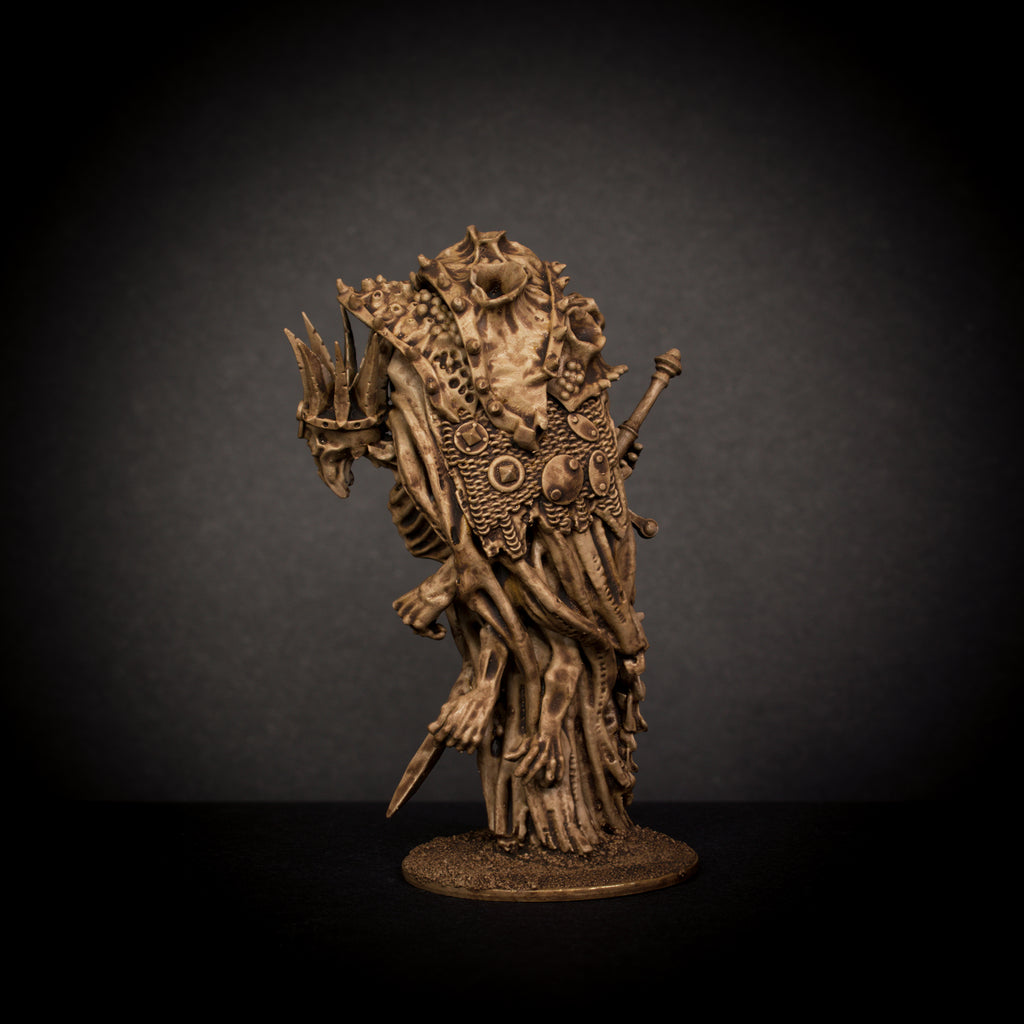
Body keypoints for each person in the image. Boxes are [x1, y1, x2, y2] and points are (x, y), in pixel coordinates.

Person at [289, 228, 658, 854]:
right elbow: (486, 554)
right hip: (506, 537)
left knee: (555, 635)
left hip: (555, 547)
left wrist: (446, 595)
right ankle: (527, 814)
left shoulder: (547, 389)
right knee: (531, 630)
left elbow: (517, 571)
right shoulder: (424, 403)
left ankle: (563, 817)